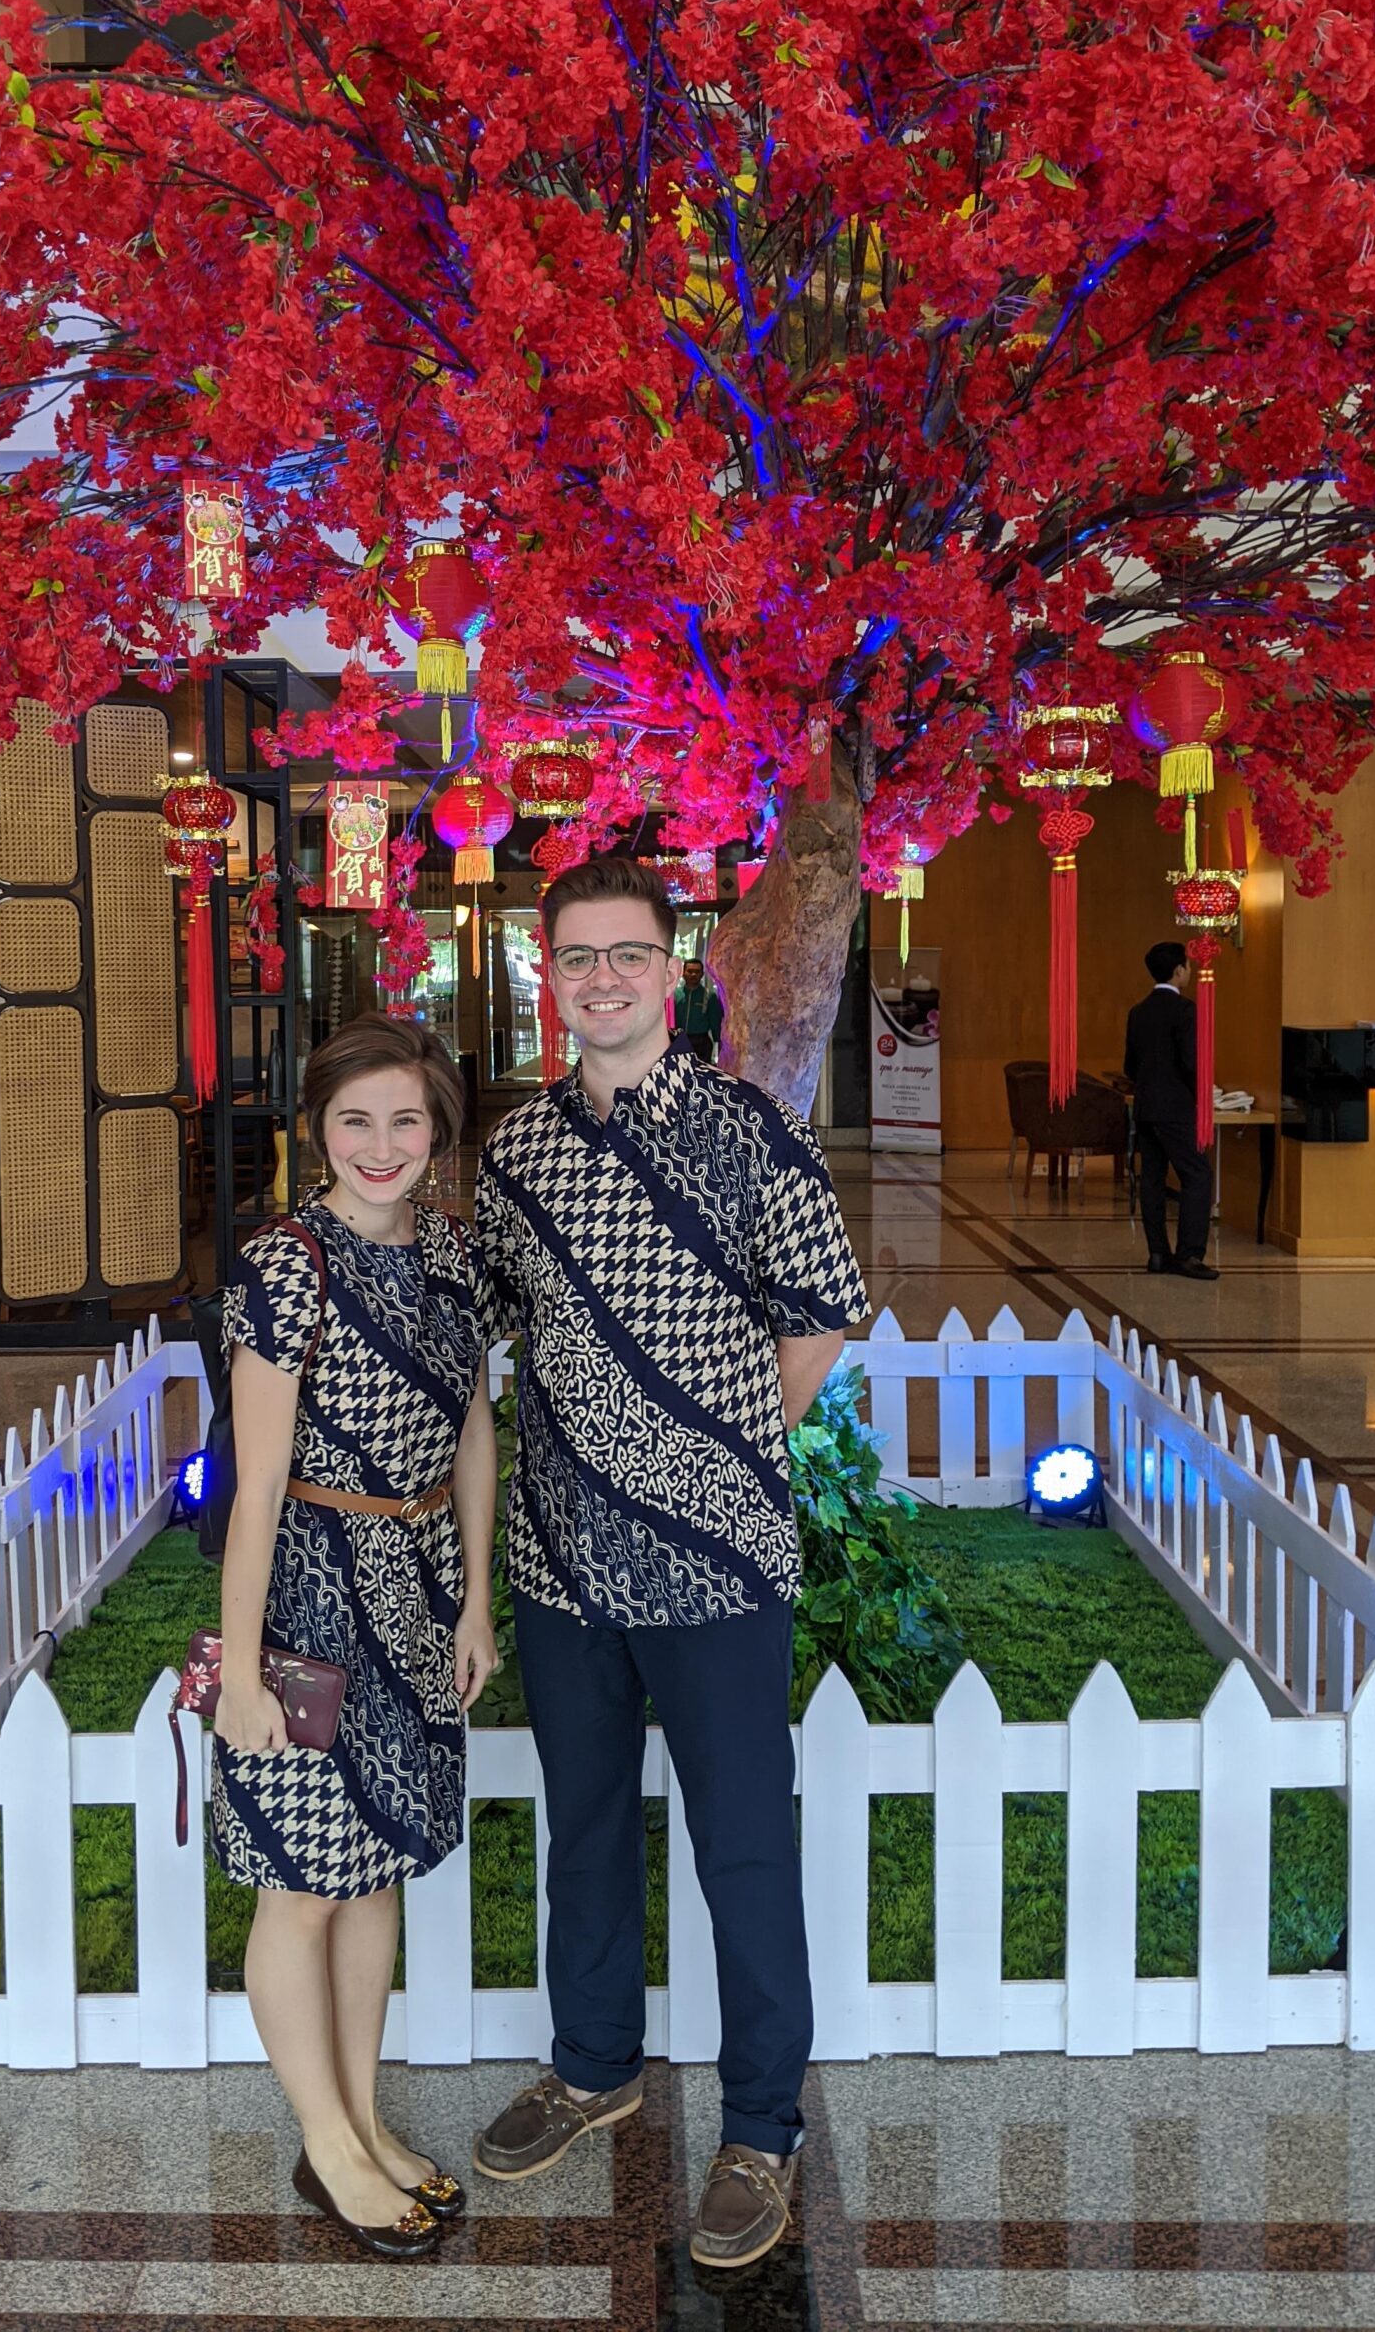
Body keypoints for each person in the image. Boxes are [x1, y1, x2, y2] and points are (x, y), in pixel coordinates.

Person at [473, 856, 869, 2271]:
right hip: (562, 1554)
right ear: (550, 976)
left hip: (714, 1556)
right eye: (575, 959)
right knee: (584, 1823)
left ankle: (763, 2125)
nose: (601, 980)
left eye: (624, 955)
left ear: (672, 962)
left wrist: (714, 1459)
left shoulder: (752, 1131)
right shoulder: (515, 1154)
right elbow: (501, 1330)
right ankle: (594, 2064)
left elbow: (822, 1312)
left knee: (742, 1840)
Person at [212, 1013, 502, 2259]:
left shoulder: (454, 1255)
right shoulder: (286, 1268)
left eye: (405, 1120)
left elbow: (476, 1424)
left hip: (422, 1581)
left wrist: (477, 1594)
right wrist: (239, 1672)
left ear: (436, 1129)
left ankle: (366, 2120)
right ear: (314, 1131)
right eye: (353, 1120)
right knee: (302, 1882)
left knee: (375, 1867)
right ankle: (326, 2148)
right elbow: (257, 1487)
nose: (381, 1145)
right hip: (312, 1597)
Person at [1124, 940, 1218, 1282]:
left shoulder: (1138, 1012)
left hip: (1146, 1108)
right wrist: (1201, 1096)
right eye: (1188, 968)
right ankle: (1190, 1255)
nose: (1190, 973)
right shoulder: (1185, 1011)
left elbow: (1130, 1066)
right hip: (1176, 1108)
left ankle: (1158, 1253)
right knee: (1197, 1175)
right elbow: (1192, 1063)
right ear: (1179, 971)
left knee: (1153, 1178)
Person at [673, 955, 725, 1062]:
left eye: (697, 972)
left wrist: (719, 1045)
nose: (693, 974)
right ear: (683, 973)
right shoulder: (674, 995)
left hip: (701, 1044)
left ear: (702, 974)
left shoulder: (709, 996)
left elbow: (715, 1023)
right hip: (677, 1041)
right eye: (690, 971)